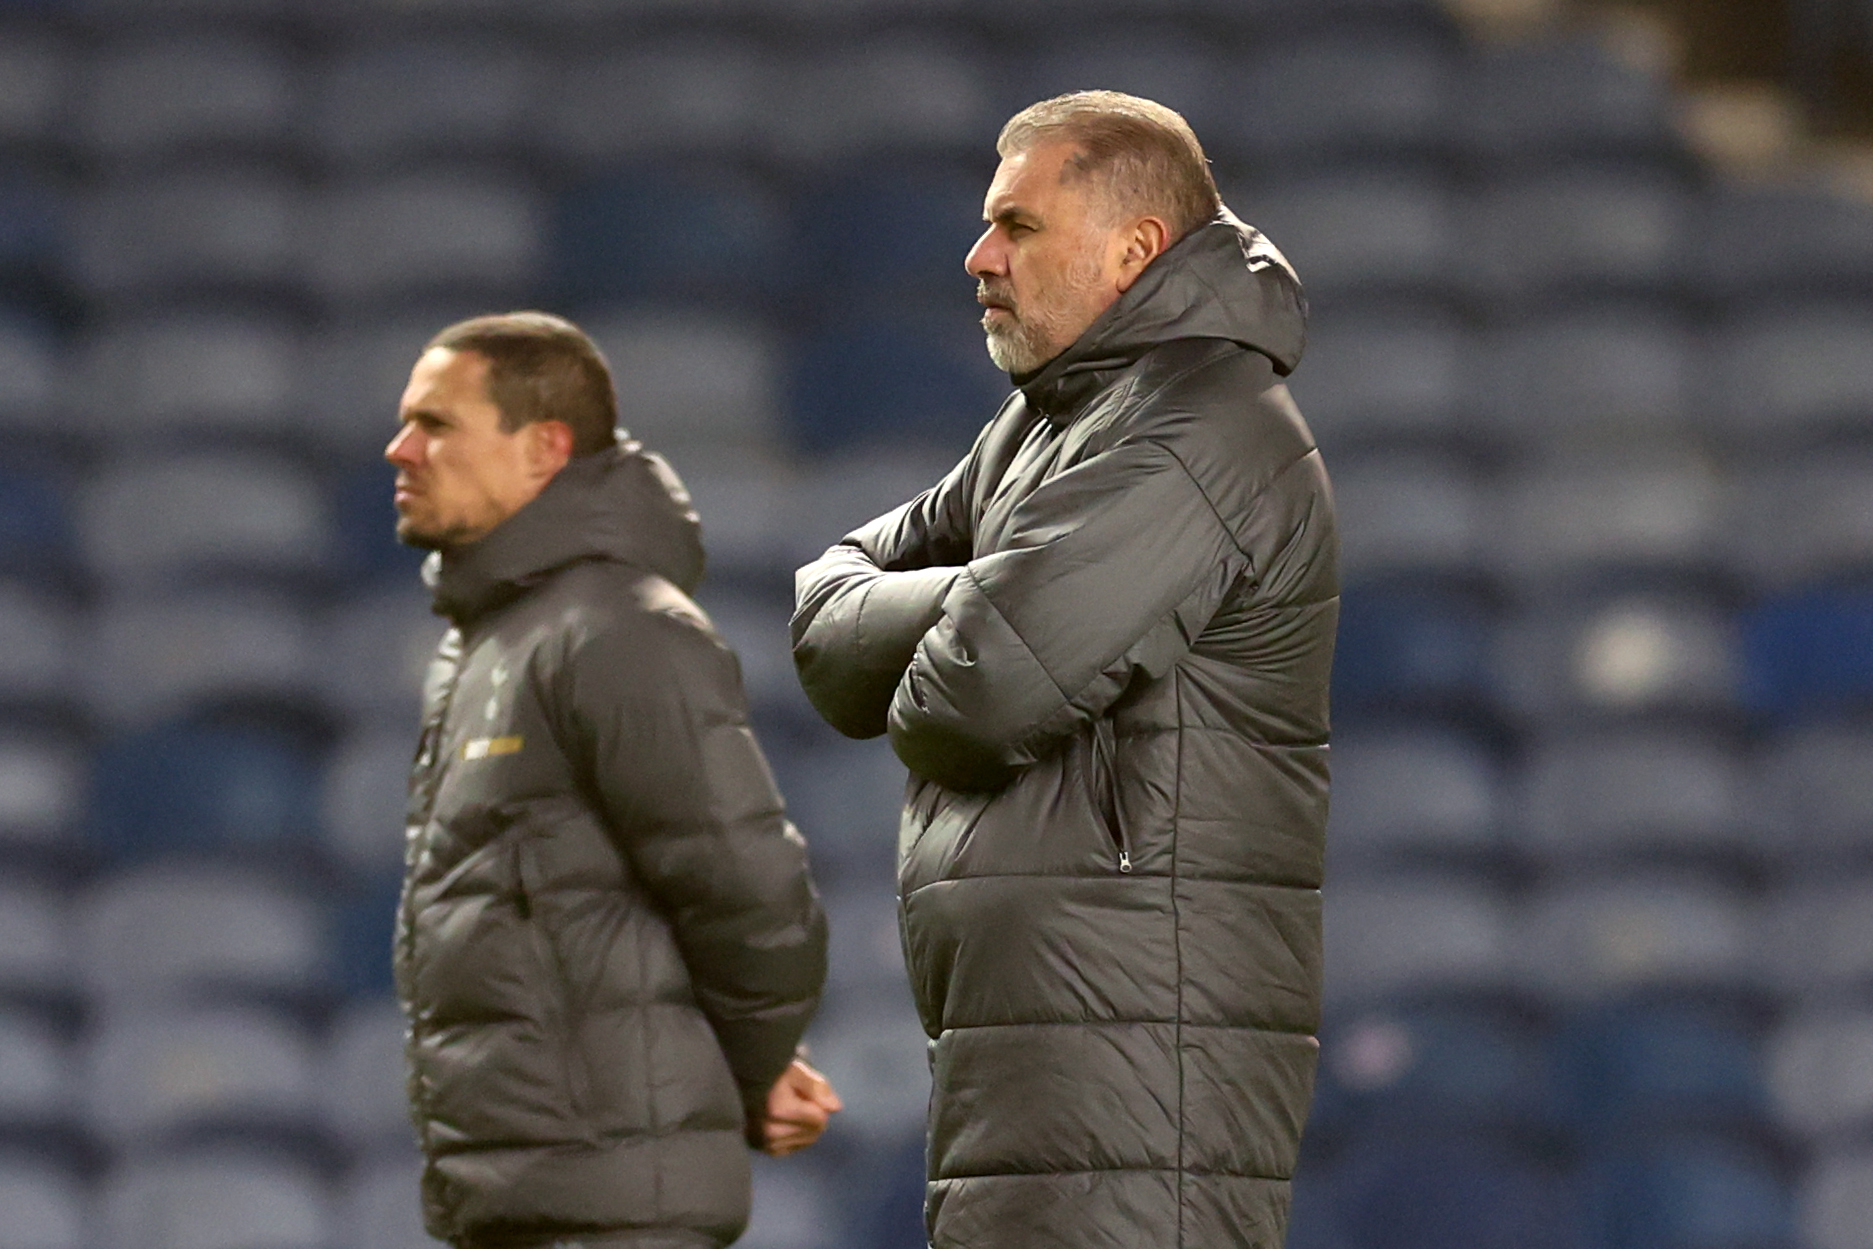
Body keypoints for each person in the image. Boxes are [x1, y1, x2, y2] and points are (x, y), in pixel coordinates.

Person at [791, 92, 1337, 1247]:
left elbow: (968, 700)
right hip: (1040, 1079)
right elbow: (825, 624)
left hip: (1136, 1100)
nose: (977, 256)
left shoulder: (1202, 428)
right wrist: (990, 590)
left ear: (1133, 247)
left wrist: (991, 605)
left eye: (1017, 227)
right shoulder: (1048, 424)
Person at [386, 311, 838, 1249]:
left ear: (544, 449)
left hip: (616, 1213)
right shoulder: (488, 645)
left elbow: (751, 891)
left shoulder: (620, 631)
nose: (401, 449)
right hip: (530, 1204)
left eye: (435, 424)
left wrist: (752, 1072)